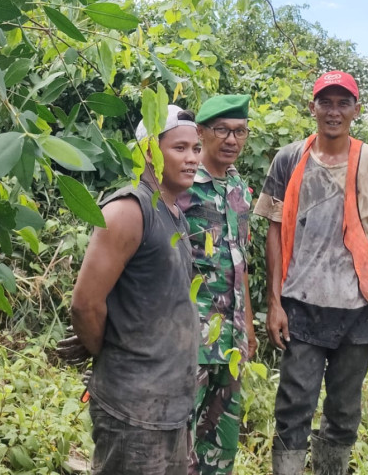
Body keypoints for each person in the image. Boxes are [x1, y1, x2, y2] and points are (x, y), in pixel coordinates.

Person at [253, 71, 368, 475]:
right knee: (293, 408)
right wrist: (274, 303)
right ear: (313, 107)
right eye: (326, 102)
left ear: (356, 110)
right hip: (301, 306)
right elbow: (273, 229)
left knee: (342, 413)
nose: (333, 111)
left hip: (358, 310)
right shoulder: (289, 159)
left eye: (343, 103)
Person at [70, 105, 202, 475]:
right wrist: (117, 356)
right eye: (180, 148)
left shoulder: (173, 212)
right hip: (132, 409)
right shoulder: (129, 210)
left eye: (196, 148)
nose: (192, 158)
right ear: (149, 151)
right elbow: (85, 306)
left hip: (169, 408)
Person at [176, 94, 257, 475]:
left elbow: (241, 265)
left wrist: (250, 329)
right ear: (202, 132)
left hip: (232, 343)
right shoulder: (182, 186)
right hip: (188, 337)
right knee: (177, 440)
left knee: (220, 446)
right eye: (222, 130)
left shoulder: (242, 191)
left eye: (239, 131)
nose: (231, 140)